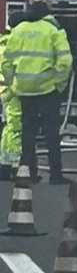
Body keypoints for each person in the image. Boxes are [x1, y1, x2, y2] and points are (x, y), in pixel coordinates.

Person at [2, 0, 72, 184]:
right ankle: (56, 175)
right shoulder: (53, 30)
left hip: (24, 89)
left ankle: (28, 173)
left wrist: (13, 83)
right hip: (47, 89)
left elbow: (6, 62)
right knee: (51, 133)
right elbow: (65, 61)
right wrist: (59, 84)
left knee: (28, 132)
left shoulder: (18, 31)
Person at [0, 10, 26, 181]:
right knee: (15, 126)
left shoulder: (3, 42)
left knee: (9, 126)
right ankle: (17, 166)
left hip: (4, 90)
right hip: (12, 91)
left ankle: (5, 163)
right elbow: (9, 69)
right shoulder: (14, 43)